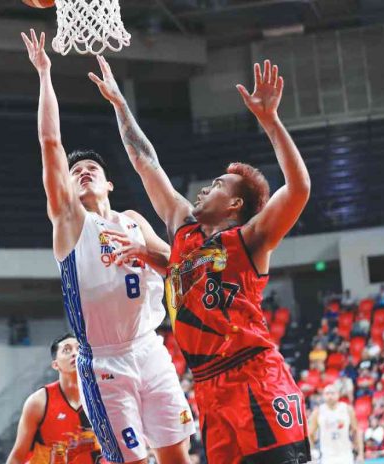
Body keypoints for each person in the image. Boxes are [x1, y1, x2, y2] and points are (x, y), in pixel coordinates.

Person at [90, 55, 311, 463]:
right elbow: (146, 162)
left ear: (235, 204)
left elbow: (298, 189)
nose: (204, 189)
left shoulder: (250, 240)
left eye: (217, 185)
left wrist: (271, 123)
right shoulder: (183, 231)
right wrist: (120, 106)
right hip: (208, 387)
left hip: (255, 377)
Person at [21, 30, 194, 464]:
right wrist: (45, 75)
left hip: (150, 348)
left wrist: (145, 253)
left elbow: (178, 266)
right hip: (104, 362)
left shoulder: (133, 220)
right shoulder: (70, 222)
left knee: (177, 455)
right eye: (76, 170)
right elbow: (50, 145)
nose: (83, 172)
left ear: (109, 182)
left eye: (92, 167)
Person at [7, 334, 104, 464]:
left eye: (79, 349)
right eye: (67, 350)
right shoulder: (38, 402)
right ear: (55, 365)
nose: (75, 354)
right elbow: (18, 456)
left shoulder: (103, 395)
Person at [308, 384, 363, 464]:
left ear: (338, 394)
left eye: (332, 393)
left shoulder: (347, 409)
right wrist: (312, 452)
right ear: (323, 395)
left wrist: (360, 454)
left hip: (346, 455)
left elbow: (356, 431)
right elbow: (310, 434)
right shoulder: (318, 412)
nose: (330, 396)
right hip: (326, 457)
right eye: (327, 393)